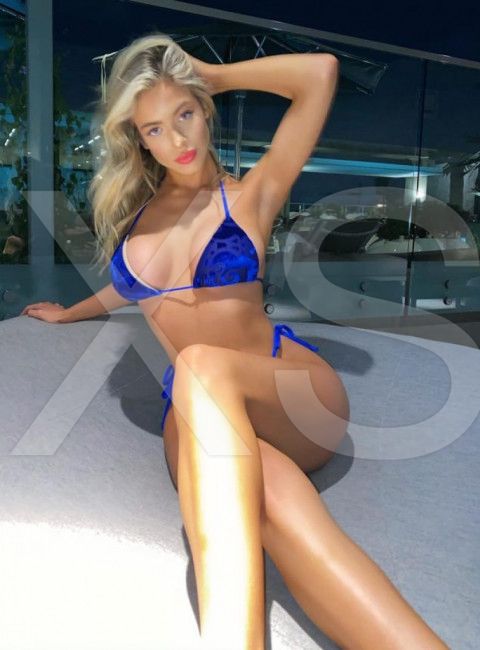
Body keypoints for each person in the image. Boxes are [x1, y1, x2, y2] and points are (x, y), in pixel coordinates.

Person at [20, 33, 449, 650]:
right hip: (199, 411)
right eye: (155, 128)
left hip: (287, 393)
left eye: (185, 114)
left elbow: (319, 73)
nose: (177, 139)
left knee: (198, 366)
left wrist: (211, 74)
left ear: (204, 108)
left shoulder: (252, 194)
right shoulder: (139, 219)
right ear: (139, 139)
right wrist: (70, 314)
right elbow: (130, 288)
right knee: (285, 514)